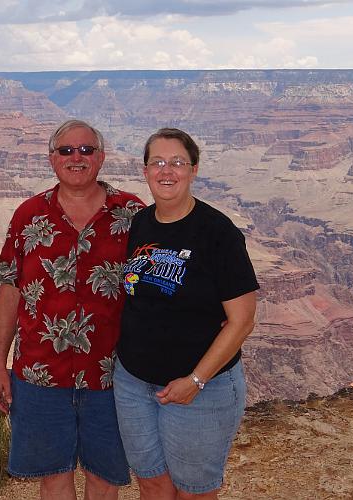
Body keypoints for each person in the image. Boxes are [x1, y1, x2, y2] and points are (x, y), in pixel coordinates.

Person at [0, 119, 145, 500]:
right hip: (40, 374)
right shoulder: (28, 215)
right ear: (51, 159)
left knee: (105, 477)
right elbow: (10, 290)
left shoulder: (131, 213)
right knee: (53, 475)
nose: (77, 158)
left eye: (86, 150)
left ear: (101, 158)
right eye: (67, 151)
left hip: (112, 373)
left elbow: (152, 290)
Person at [113, 128, 259, 500]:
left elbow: (242, 320)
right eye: (157, 162)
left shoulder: (217, 233)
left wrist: (195, 381)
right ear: (144, 171)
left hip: (200, 389)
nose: (167, 171)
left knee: (193, 492)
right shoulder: (141, 223)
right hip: (133, 382)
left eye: (178, 162)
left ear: (194, 170)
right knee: (152, 483)